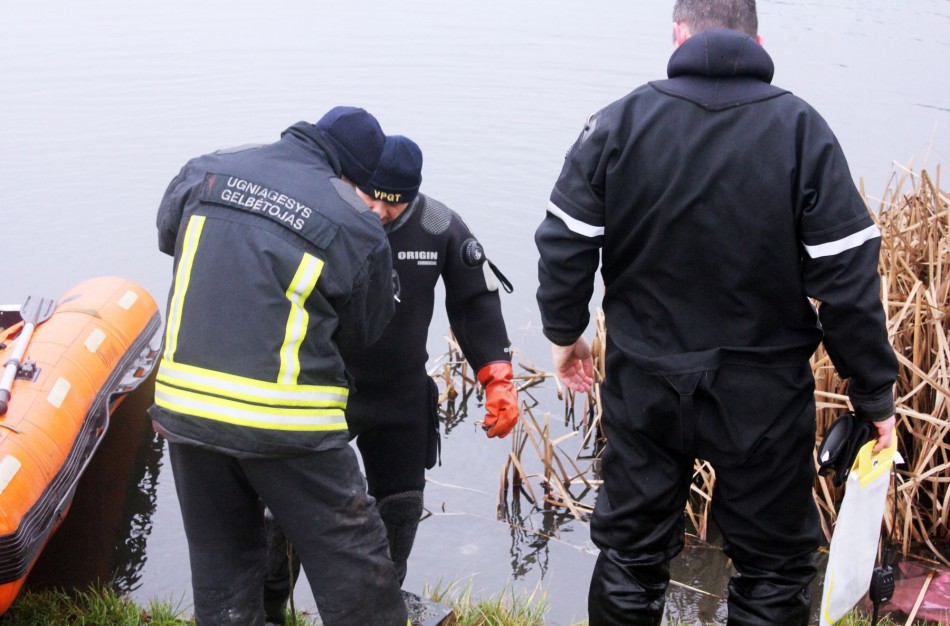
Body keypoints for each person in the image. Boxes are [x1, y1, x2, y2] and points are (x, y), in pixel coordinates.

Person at [534, 2, 899, 624]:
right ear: (757, 38)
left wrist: (566, 334)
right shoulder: (800, 129)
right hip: (762, 394)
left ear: (678, 34)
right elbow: (847, 281)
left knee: (630, 555)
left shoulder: (618, 123)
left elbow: (564, 240)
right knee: (773, 568)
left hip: (646, 383)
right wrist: (873, 393)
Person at [150, 106, 409, 626]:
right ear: (353, 176)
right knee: (356, 568)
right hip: (286, 420)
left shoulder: (206, 169)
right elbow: (362, 331)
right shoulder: (353, 221)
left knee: (222, 570)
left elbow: (166, 235)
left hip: (184, 406)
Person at [264, 134, 519, 622]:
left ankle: (380, 604)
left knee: (400, 507)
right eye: (372, 197)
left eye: (394, 202)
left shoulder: (439, 226)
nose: (380, 211)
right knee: (286, 505)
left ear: (413, 194)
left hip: (400, 394)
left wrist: (497, 378)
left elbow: (475, 302)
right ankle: (269, 604)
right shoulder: (324, 213)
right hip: (324, 387)